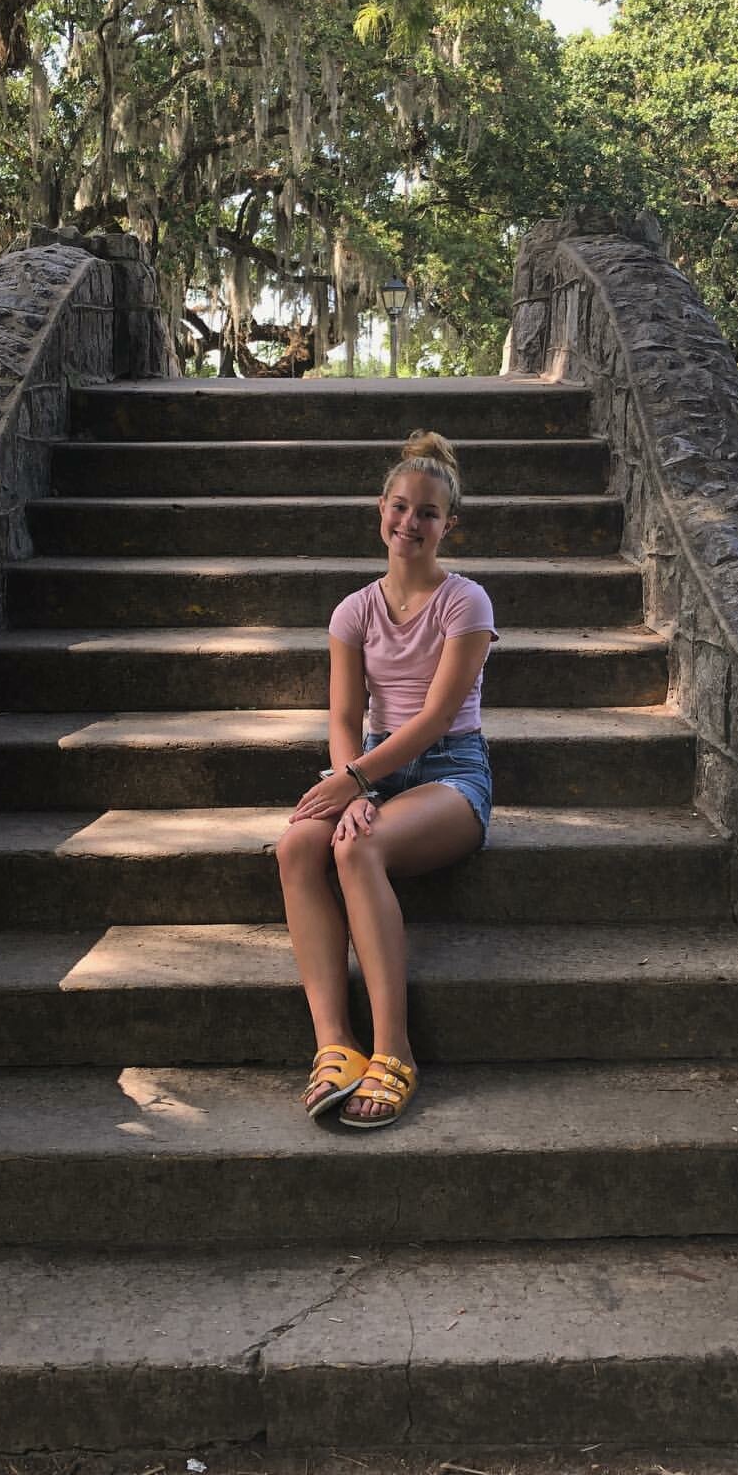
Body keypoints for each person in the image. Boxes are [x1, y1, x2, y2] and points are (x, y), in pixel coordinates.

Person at [275, 430, 497, 1129]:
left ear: (448, 525)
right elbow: (344, 714)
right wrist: (352, 782)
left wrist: (357, 783)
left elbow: (436, 718)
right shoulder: (354, 611)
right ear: (381, 510)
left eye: (428, 513)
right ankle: (334, 1044)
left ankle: (394, 1048)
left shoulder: (466, 603)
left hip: (451, 772)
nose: (410, 522)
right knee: (296, 845)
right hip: (371, 766)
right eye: (400, 507)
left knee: (357, 848)